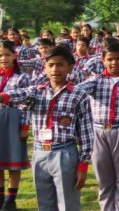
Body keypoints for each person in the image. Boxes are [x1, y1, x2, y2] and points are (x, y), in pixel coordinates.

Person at [0, 46, 93, 211]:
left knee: (67, 203)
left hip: (65, 153)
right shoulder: (37, 92)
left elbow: (86, 133)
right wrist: (4, 96)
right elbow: (19, 94)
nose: (55, 69)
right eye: (50, 65)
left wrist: (83, 164)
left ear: (70, 67)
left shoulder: (79, 95)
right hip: (40, 153)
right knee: (45, 203)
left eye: (60, 64)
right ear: (45, 67)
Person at [74, 42, 119, 211]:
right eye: (110, 59)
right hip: (98, 132)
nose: (114, 63)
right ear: (103, 60)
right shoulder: (95, 81)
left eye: (118, 59)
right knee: (103, 178)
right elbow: (77, 91)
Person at [0, 41, 32, 211]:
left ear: (14, 55)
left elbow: (27, 102)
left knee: (13, 162)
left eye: (7, 54)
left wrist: (24, 125)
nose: (3, 58)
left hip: (13, 120)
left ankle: (10, 200)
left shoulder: (23, 77)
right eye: (0, 55)